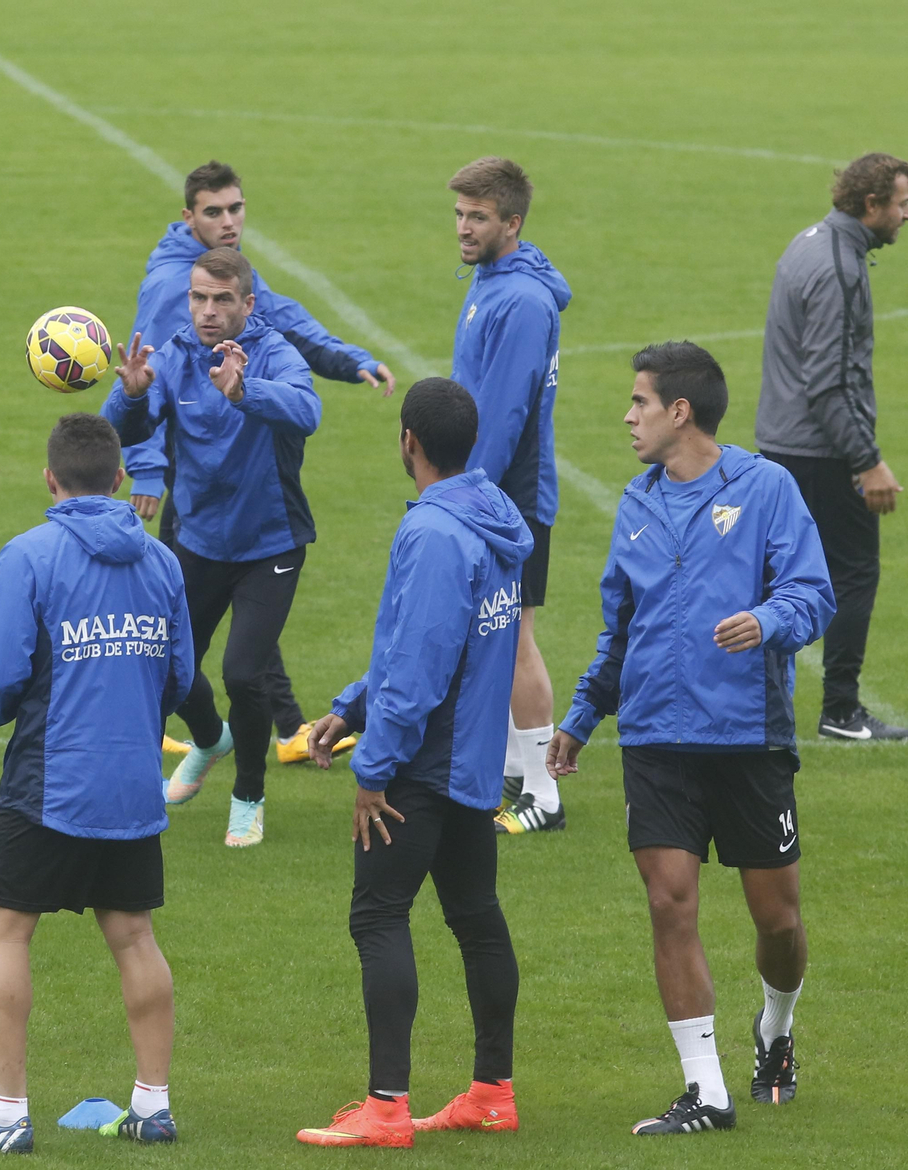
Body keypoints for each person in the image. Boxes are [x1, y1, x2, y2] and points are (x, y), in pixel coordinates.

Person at [548, 343, 834, 1135]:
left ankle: (775, 1028)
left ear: (680, 412)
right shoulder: (637, 505)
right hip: (655, 740)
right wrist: (581, 715)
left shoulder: (766, 488)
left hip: (748, 739)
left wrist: (768, 620)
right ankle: (705, 1091)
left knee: (777, 922)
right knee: (670, 904)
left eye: (639, 402)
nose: (628, 416)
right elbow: (621, 630)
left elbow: (813, 593)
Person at [0, 414, 193, 1154]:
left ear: (50, 479)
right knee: (135, 936)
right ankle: (152, 1106)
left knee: (5, 930)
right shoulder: (163, 563)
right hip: (134, 787)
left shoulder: (28, 556)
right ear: (119, 480)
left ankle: (9, 1116)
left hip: (48, 784)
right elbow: (177, 678)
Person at [295, 378, 530, 1149]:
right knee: (475, 917)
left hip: (422, 763)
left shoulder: (433, 534)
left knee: (378, 916)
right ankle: (492, 1093)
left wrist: (374, 768)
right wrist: (353, 707)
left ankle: (387, 1109)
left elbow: (423, 664)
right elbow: (430, 648)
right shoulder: (492, 515)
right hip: (470, 761)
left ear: (409, 442)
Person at [120, 160, 387, 765]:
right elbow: (149, 372)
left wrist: (347, 359)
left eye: (236, 208)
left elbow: (282, 321)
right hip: (188, 472)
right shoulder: (174, 289)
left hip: (227, 479)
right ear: (189, 217)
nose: (229, 221)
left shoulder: (226, 271)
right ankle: (180, 731)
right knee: (182, 627)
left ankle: (281, 726)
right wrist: (145, 468)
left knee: (238, 599)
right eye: (214, 211)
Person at [103, 248, 320, 848]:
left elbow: (307, 411)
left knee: (243, 674)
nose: (208, 310)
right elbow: (116, 431)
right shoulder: (171, 358)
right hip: (197, 543)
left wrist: (244, 391)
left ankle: (248, 796)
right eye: (198, 297)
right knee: (165, 669)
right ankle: (208, 741)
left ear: (247, 304)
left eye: (223, 299)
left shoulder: (274, 353)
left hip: (270, 546)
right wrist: (131, 395)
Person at [755, 152, 908, 740]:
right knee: (852, 573)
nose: (903, 215)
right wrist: (867, 460)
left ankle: (763, 708)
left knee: (779, 578)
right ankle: (842, 711)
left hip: (781, 443)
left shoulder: (809, 239)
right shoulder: (840, 267)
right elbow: (829, 383)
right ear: (871, 205)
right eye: (899, 203)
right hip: (820, 450)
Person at [446, 157, 573, 833]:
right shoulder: (491, 279)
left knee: (516, 635)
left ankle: (545, 797)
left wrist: (469, 494)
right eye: (461, 214)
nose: (464, 228)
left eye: (479, 217)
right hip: (489, 489)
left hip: (509, 495)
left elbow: (503, 414)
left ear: (512, 223)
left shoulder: (521, 301)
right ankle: (515, 769)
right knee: (492, 634)